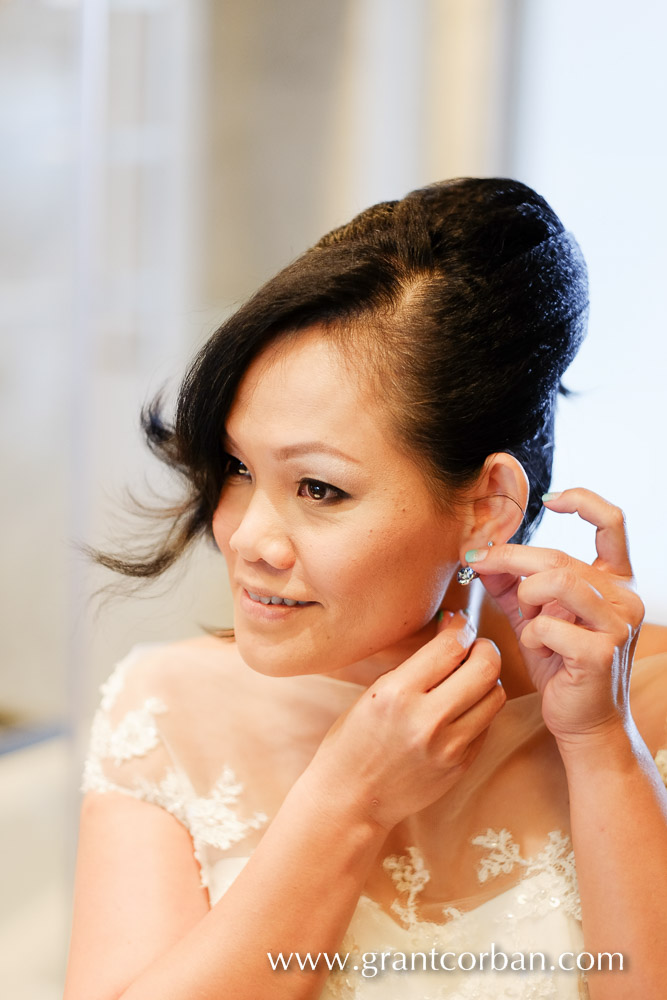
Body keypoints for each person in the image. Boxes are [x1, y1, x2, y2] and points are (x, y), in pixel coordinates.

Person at [63, 178, 667, 1000]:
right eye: (239, 469)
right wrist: (345, 802)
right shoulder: (165, 712)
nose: (245, 539)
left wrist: (601, 751)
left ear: (486, 507)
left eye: (318, 489)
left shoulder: (645, 703)